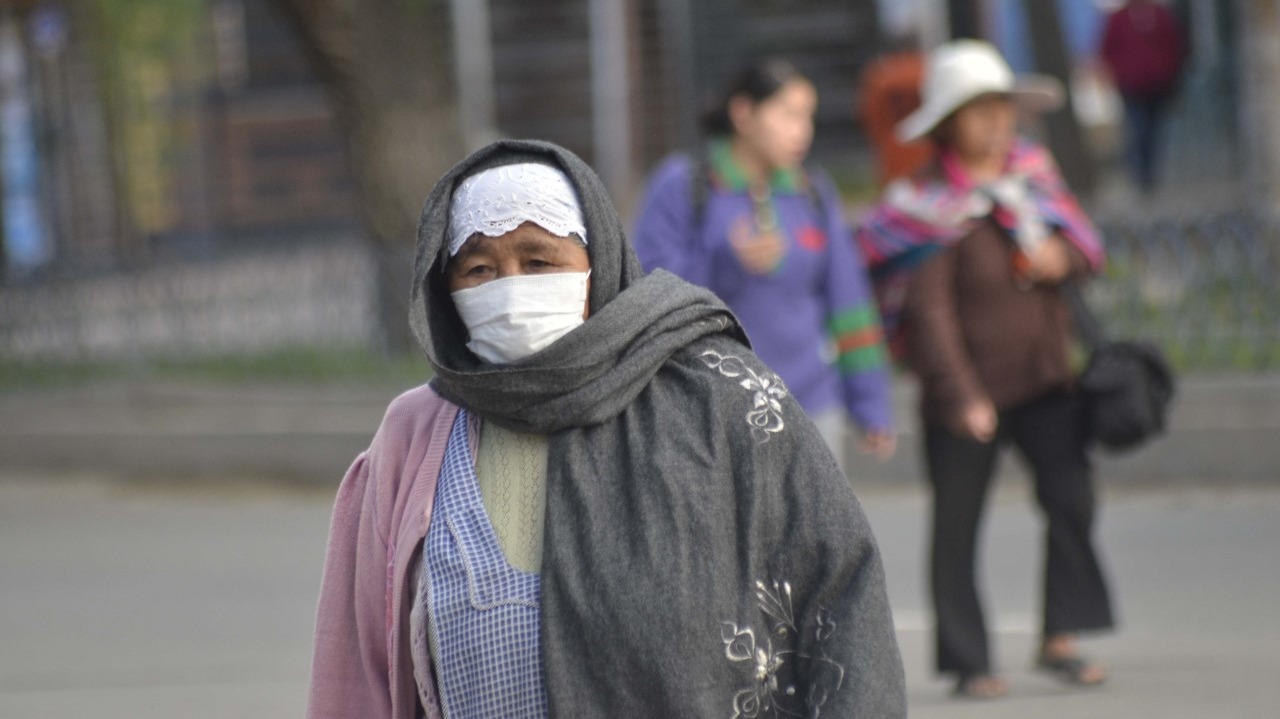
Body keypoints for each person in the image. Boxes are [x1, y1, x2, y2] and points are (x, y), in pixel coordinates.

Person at [306, 139, 907, 718]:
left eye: (539, 261)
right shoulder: (413, 435)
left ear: (598, 264)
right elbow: (358, 670)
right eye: (480, 270)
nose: (512, 288)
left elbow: (838, 591)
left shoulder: (718, 397)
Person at [856, 40, 1114, 699]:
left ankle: (1062, 633)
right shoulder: (923, 206)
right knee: (958, 525)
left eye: (1002, 107)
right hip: (968, 393)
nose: (997, 123)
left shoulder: (1034, 179)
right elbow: (930, 312)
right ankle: (970, 660)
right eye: (978, 111)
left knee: (1071, 499)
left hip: (1045, 378)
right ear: (947, 126)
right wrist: (962, 393)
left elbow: (1085, 247)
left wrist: (1062, 256)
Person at [631, 58, 896, 470]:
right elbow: (646, 293)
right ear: (744, 113)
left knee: (817, 534)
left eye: (808, 116)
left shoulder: (814, 193)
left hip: (810, 405)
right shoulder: (684, 186)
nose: (802, 131)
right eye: (788, 115)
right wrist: (726, 264)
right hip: (709, 408)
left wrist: (869, 402)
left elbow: (849, 303)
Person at [1100, 0, 1186, 193]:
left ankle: (1151, 174)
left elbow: (1174, 44)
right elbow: (1107, 49)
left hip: (1158, 85)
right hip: (1131, 86)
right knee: (1138, 129)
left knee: (1155, 131)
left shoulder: (1161, 15)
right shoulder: (1118, 18)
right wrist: (1120, 74)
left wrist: (1168, 71)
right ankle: (1141, 177)